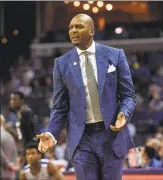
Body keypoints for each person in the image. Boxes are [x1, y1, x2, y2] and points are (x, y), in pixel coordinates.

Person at [37, 13, 136, 180]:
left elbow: (128, 96)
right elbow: (60, 106)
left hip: (111, 134)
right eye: (71, 28)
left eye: (79, 27)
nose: (73, 31)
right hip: (81, 138)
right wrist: (52, 133)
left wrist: (124, 114)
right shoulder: (61, 63)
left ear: (92, 31)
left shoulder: (115, 55)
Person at [1, 114, 18, 180]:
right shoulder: (10, 136)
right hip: (10, 174)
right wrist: (12, 166)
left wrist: (8, 165)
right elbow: (15, 153)